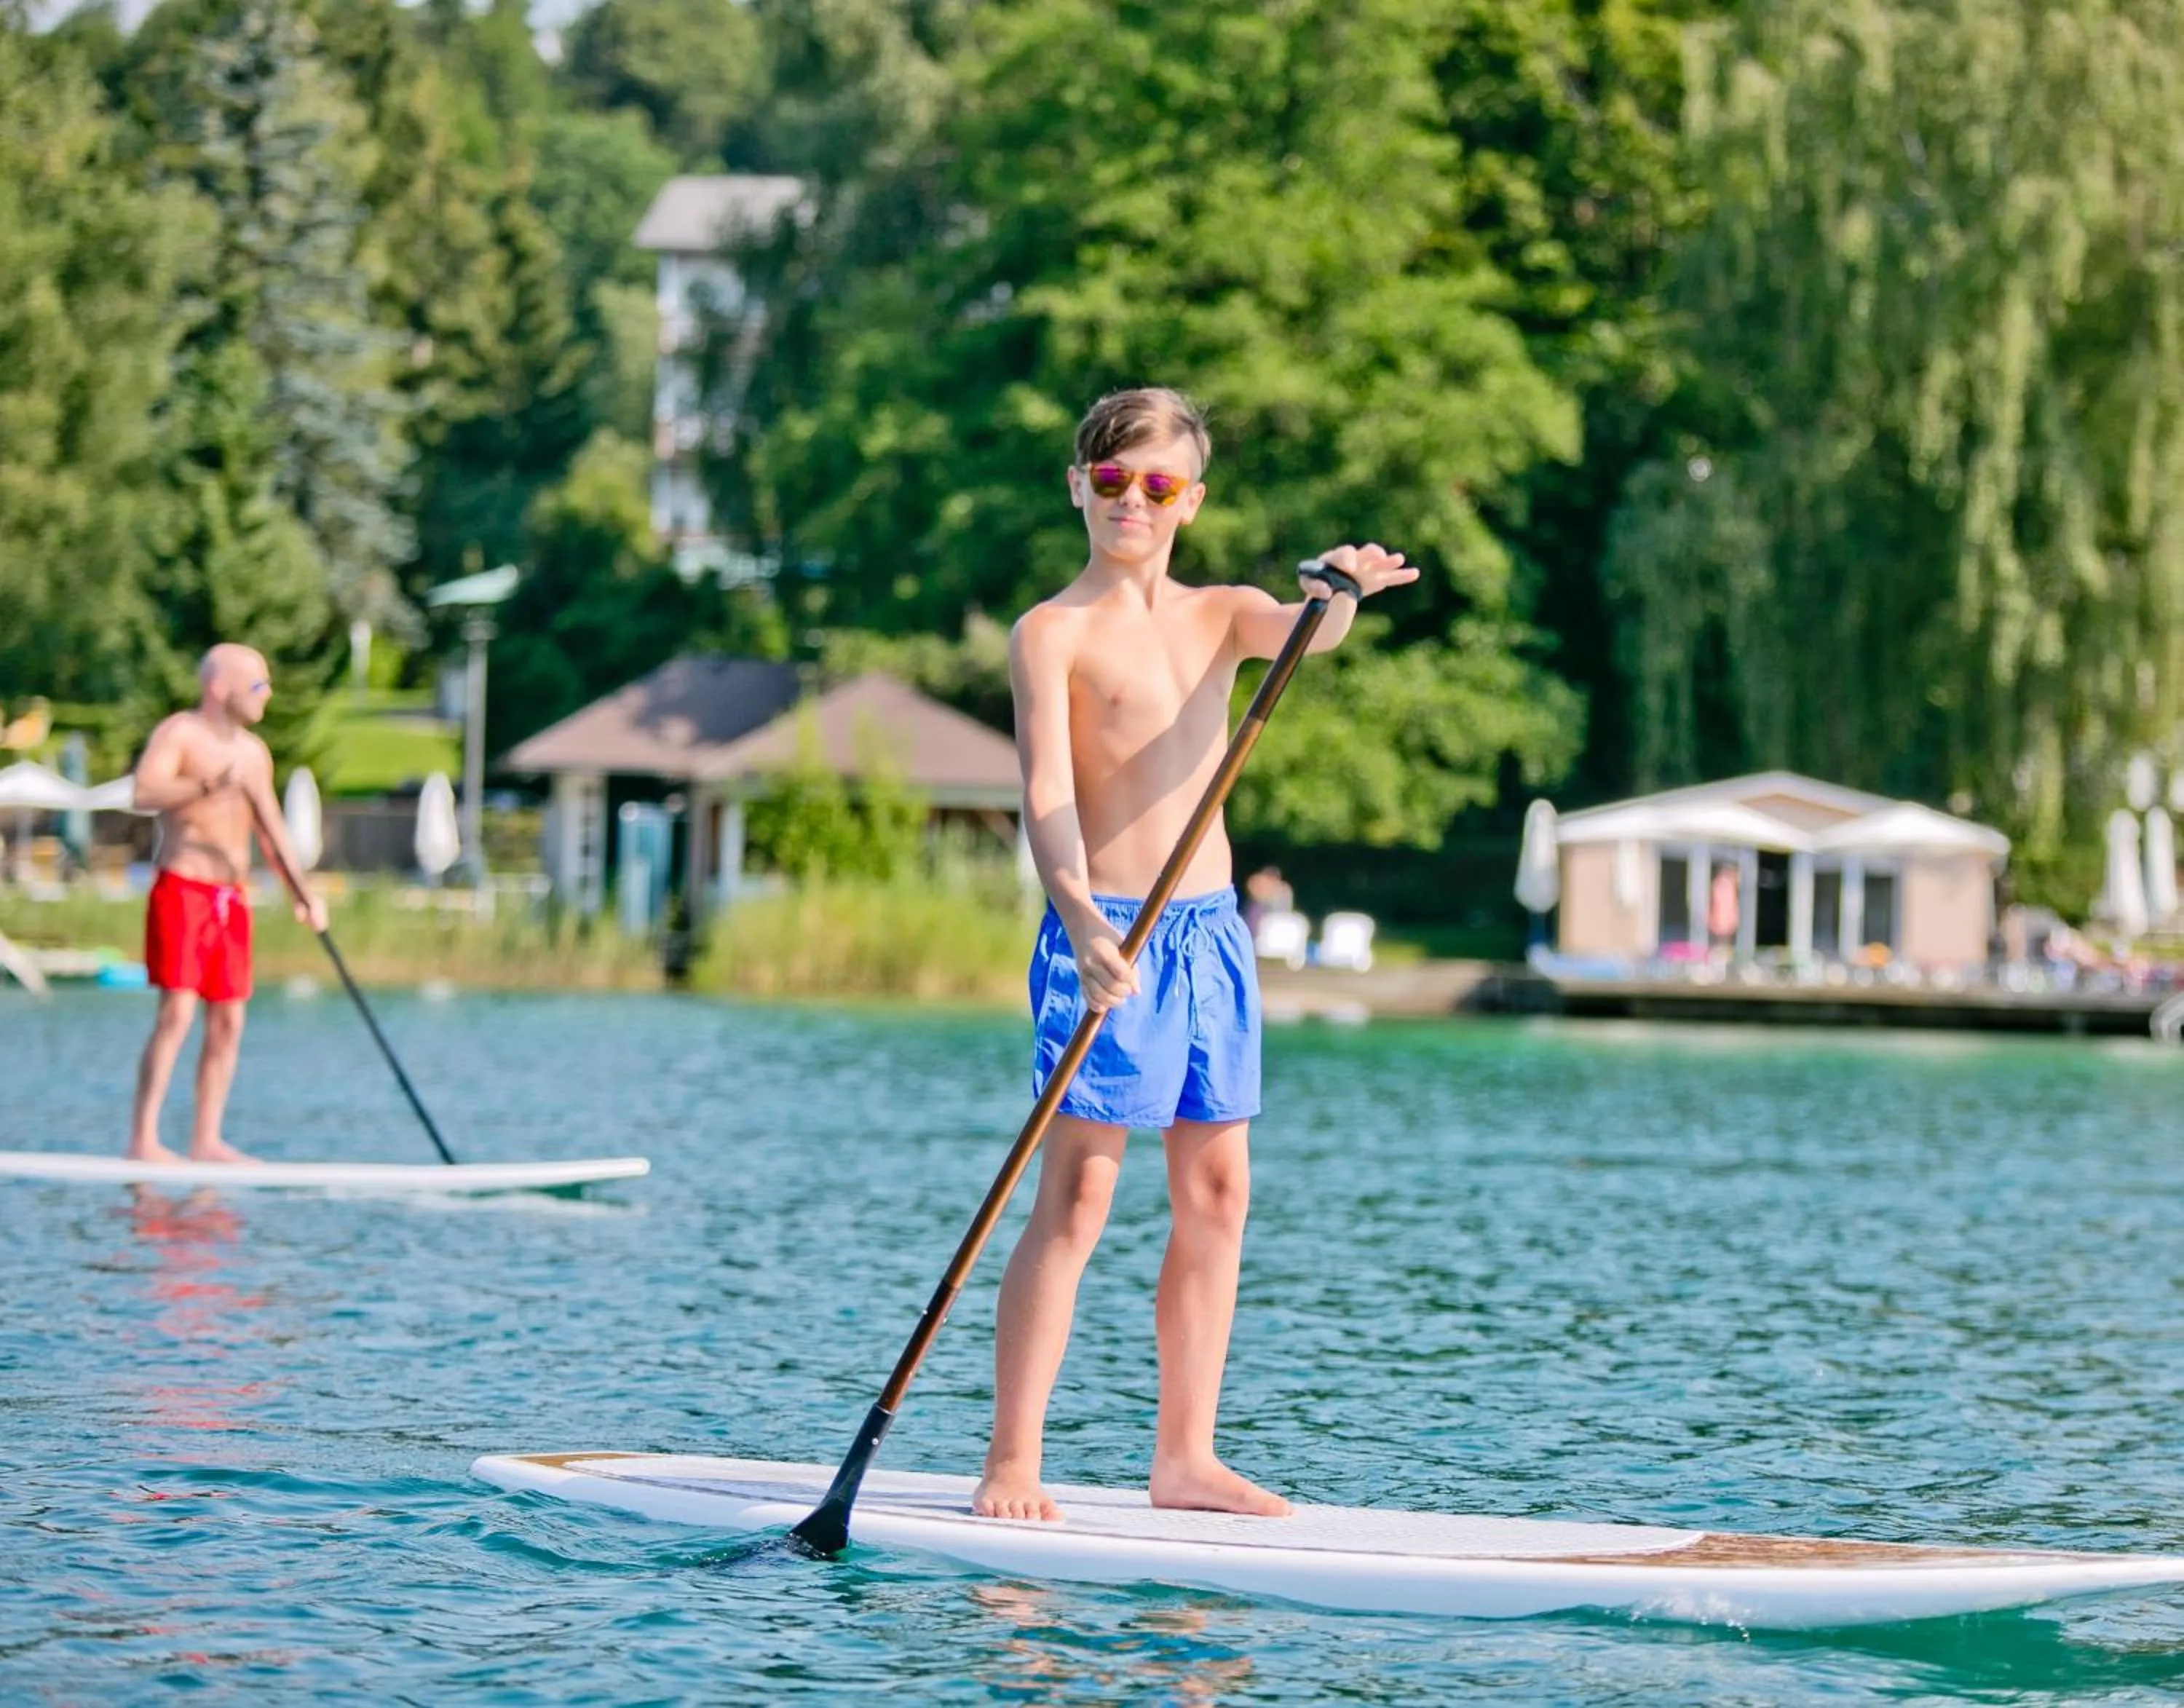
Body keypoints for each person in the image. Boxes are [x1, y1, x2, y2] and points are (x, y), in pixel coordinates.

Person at [974, 387, 1415, 1522]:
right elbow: (1045, 793)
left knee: (1217, 1191)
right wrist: (1077, 914)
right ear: (1079, 486)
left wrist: (1341, 587)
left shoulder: (1222, 611)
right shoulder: (1049, 631)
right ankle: (1013, 1461)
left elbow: (1309, 631)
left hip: (1211, 936)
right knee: (1077, 1197)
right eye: (1111, 480)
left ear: (1191, 501)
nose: (1132, 501)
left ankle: (1185, 1458)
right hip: (1106, 929)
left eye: (1156, 485)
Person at [124, 644, 325, 1163]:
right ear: (220, 687)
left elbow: (272, 828)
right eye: (258, 684)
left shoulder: (256, 752)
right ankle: (143, 1139)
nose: (268, 695)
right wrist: (207, 784)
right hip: (183, 887)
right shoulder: (180, 734)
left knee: (230, 1019)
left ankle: (205, 1139)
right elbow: (143, 793)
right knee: (178, 1013)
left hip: (231, 898)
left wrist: (303, 894)